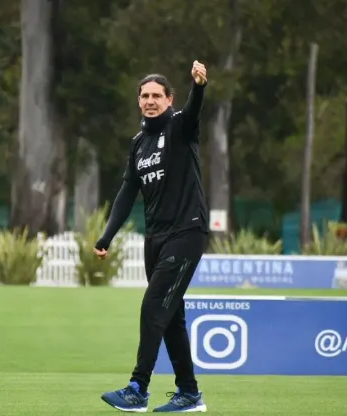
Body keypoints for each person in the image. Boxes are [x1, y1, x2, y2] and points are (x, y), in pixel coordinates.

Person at [94, 61, 209, 413]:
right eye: (144, 95)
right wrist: (106, 236)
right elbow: (128, 193)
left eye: (157, 95)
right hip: (155, 239)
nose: (150, 100)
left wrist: (199, 87)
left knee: (152, 307)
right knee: (171, 316)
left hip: (187, 232)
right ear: (138, 101)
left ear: (169, 99)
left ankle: (137, 388)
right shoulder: (138, 144)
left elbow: (192, 112)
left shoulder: (179, 127)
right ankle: (189, 394)